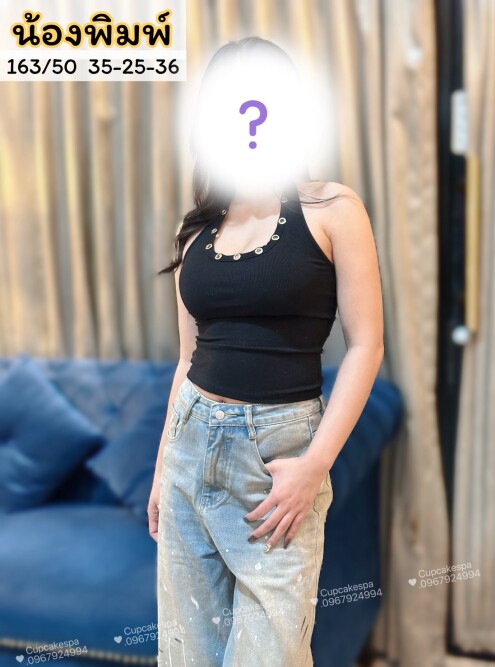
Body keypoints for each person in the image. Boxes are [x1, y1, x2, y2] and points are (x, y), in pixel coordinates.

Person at [149, 36, 384, 667]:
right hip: (188, 451)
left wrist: (315, 465)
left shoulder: (332, 208)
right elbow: (187, 358)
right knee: (186, 655)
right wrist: (162, 467)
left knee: (271, 654)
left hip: (277, 458)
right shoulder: (196, 230)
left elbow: (366, 345)